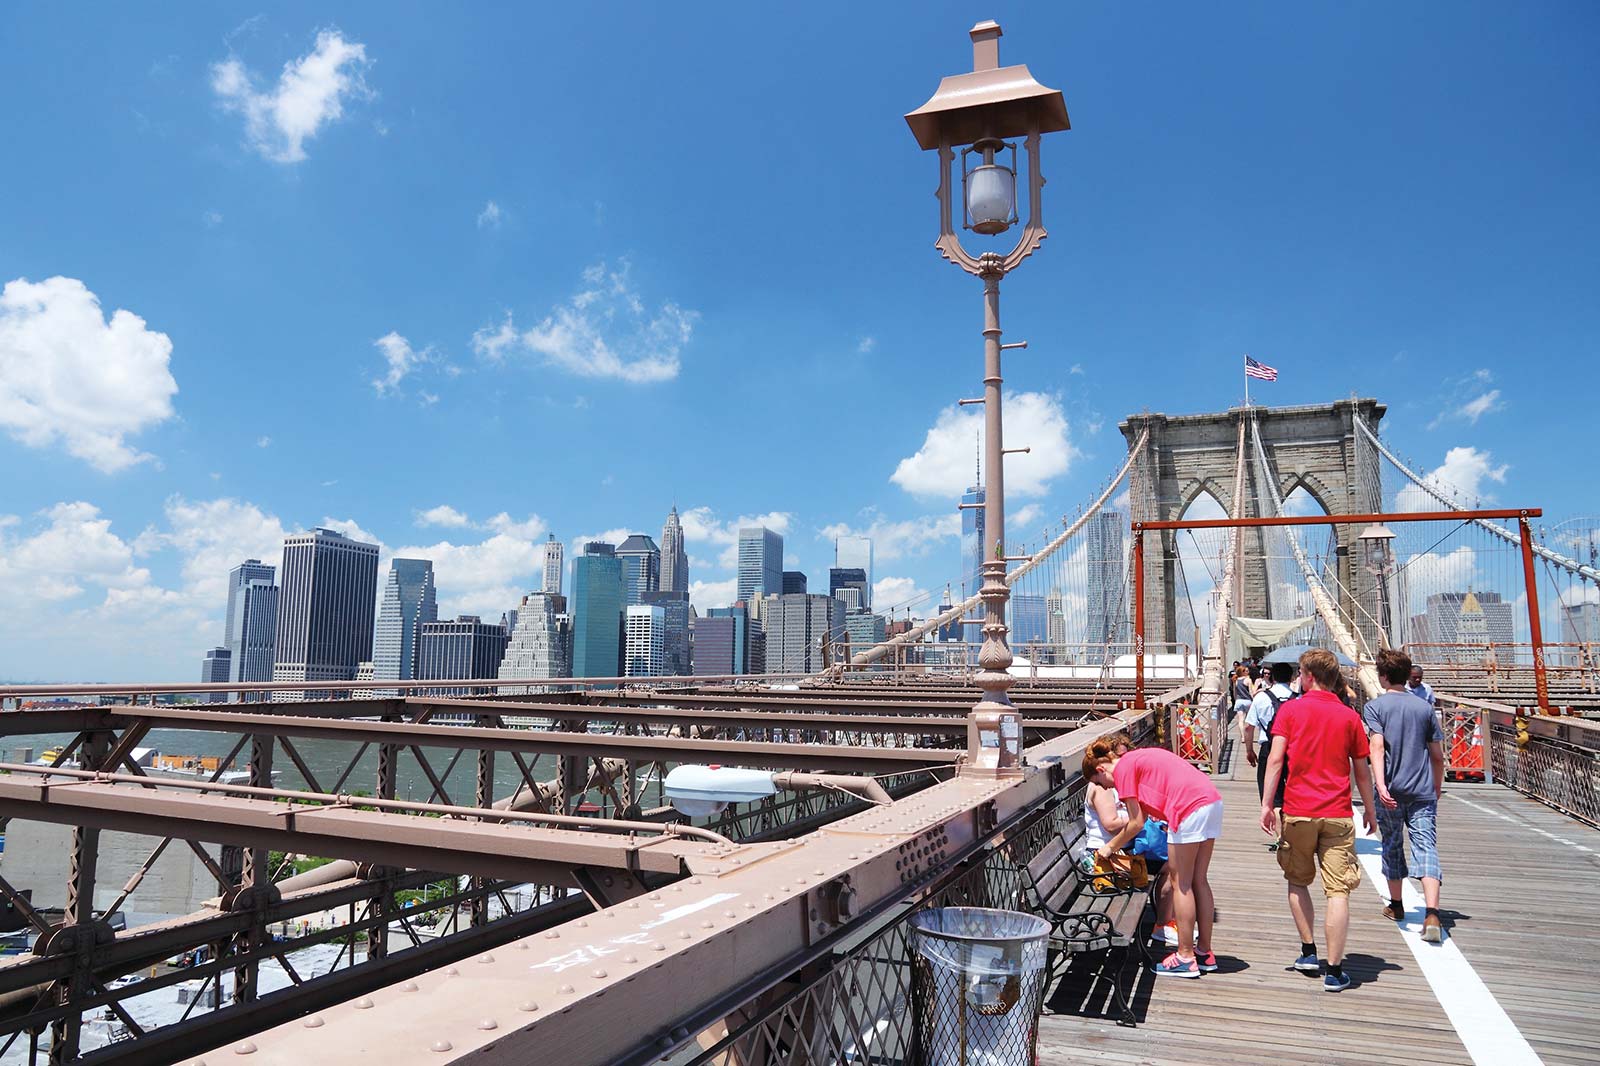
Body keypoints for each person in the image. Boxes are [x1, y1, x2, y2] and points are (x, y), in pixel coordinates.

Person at [1259, 648, 1379, 993]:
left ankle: (1309, 951)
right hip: (1338, 813)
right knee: (1338, 891)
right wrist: (1369, 810)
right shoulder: (1349, 717)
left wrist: (1268, 805)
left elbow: (1276, 760)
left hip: (1298, 810)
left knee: (1297, 882)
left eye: (1300, 672)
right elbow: (1362, 771)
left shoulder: (1290, 711)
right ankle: (1335, 970)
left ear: (1308, 675)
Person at [1085, 740, 1223, 978]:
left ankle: (1185, 956)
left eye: (1101, 783)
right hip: (1211, 800)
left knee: (1182, 883)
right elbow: (1145, 812)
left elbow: (1136, 822)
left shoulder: (1122, 770)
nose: (1107, 788)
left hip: (1187, 808)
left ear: (1101, 770)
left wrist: (1109, 847)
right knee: (1199, 880)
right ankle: (1204, 953)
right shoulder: (1137, 758)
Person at [1363, 648, 1447, 943]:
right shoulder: (1424, 708)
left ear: (1383, 676)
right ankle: (1432, 913)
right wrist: (1435, 786)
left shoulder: (1375, 708)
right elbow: (1437, 756)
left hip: (1391, 791)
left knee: (1392, 843)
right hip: (1422, 790)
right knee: (1426, 845)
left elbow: (1376, 747)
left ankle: (1396, 906)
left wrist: (1381, 785)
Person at [1244, 661, 1296, 846]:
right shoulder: (1299, 699)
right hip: (1294, 750)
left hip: (1268, 748)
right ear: (1292, 678)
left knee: (1273, 795)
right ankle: (1297, 834)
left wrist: (1249, 750)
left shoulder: (1261, 698)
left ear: (1272, 677)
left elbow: (1249, 727)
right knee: (1294, 791)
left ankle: (1282, 838)